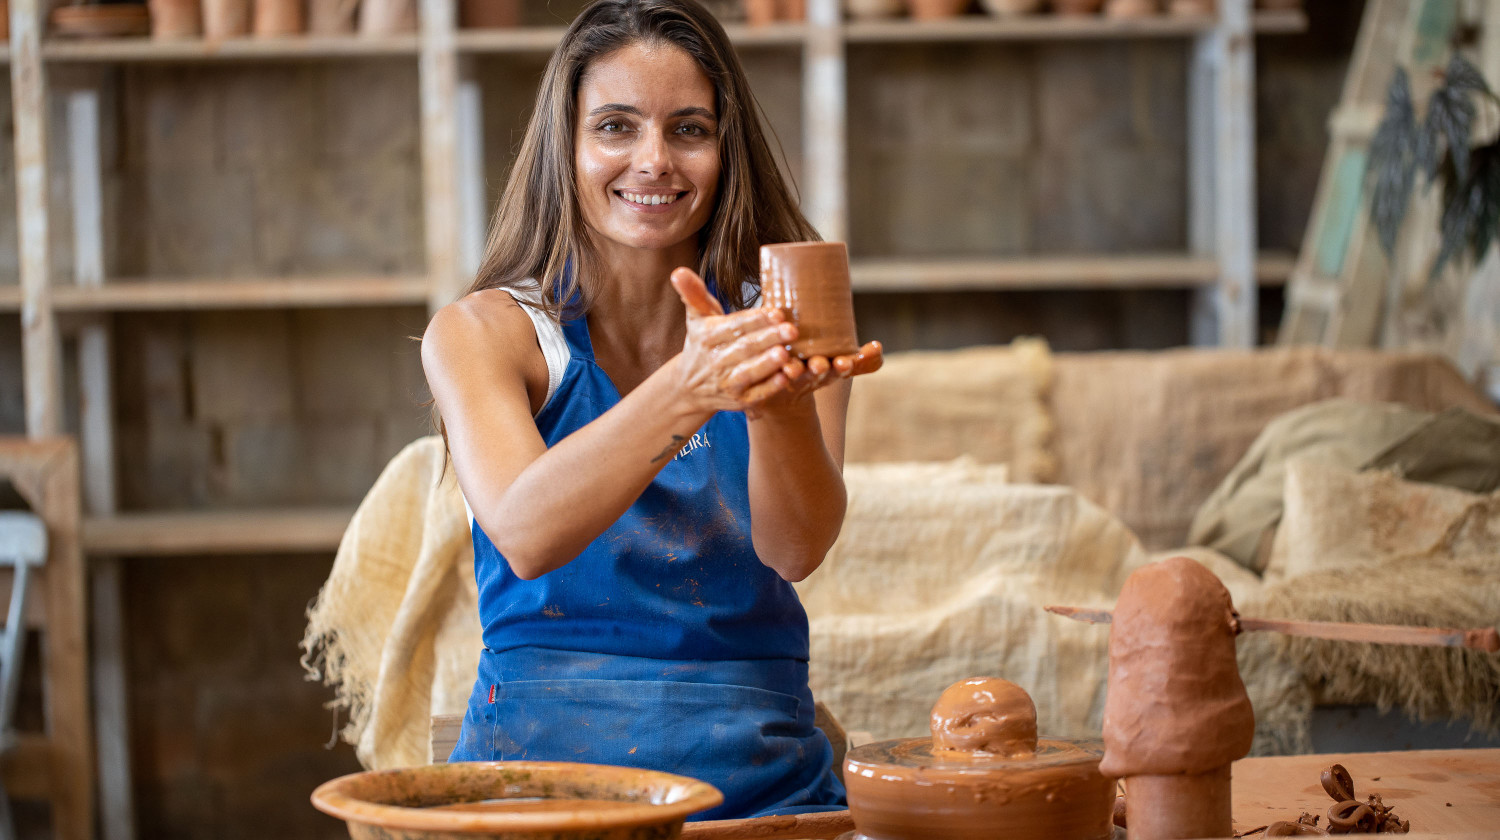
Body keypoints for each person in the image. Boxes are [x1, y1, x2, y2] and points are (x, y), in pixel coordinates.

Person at [420, 0, 882, 821]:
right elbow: (526, 533)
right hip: (540, 779)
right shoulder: (482, 334)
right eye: (615, 127)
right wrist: (692, 386)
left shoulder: (782, 325)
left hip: (759, 776)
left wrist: (775, 405)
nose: (654, 161)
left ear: (725, 148)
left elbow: (798, 548)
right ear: (566, 148)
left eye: (689, 130)